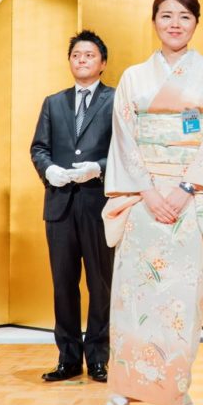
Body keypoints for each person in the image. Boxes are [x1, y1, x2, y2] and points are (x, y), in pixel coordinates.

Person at [100, 0, 203, 405]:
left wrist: (186, 187)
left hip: (190, 199)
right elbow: (123, 138)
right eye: (166, 15)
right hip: (143, 200)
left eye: (184, 16)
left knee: (181, 301)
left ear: (196, 23)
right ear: (154, 21)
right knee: (131, 297)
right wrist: (147, 191)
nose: (175, 24)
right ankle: (123, 391)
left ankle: (177, 393)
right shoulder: (133, 77)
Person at [30, 30, 116, 384]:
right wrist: (49, 170)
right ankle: (68, 358)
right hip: (60, 206)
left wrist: (99, 168)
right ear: (70, 61)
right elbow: (39, 147)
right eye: (76, 55)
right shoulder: (53, 102)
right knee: (63, 284)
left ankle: (98, 358)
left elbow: (126, 150)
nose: (82, 60)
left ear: (102, 63)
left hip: (98, 205)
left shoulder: (116, 99)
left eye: (89, 55)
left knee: (101, 284)